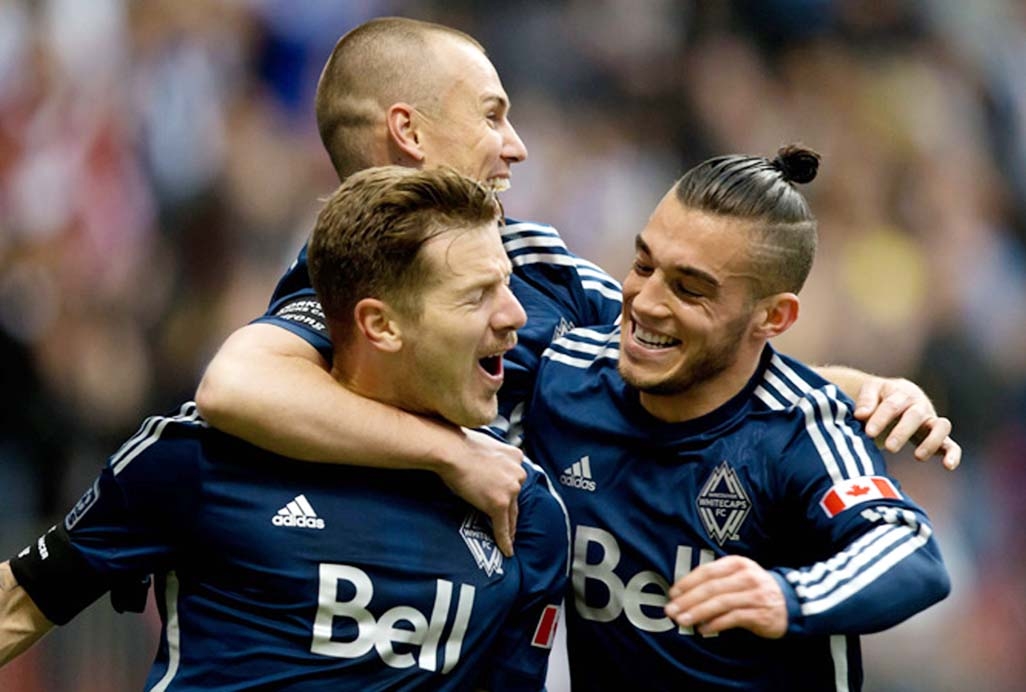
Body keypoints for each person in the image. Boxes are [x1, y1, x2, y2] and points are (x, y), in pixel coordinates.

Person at [194, 16, 961, 560]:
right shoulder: (340, 279)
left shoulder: (541, 264)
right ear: (410, 132)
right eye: (492, 115)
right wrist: (453, 456)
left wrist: (853, 389)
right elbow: (235, 387)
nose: (516, 146)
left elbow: (691, 375)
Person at [0, 166, 570, 691]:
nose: (516, 315)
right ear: (380, 325)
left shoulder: (523, 509)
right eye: (477, 296)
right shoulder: (198, 457)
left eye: (507, 286)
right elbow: (18, 607)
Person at [523, 146, 951, 691]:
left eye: (690, 288)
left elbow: (911, 552)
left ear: (773, 317)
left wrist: (786, 596)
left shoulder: (803, 432)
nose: (646, 302)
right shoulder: (563, 378)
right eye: (643, 265)